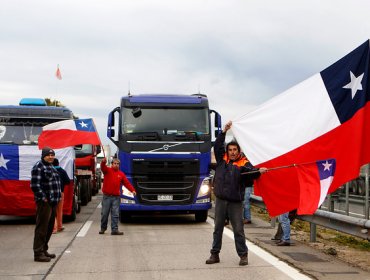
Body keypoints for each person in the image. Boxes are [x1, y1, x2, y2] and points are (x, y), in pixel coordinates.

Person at [206, 121, 267, 266]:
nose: (232, 152)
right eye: (230, 149)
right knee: (217, 229)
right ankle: (215, 255)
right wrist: (224, 132)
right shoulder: (222, 160)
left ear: (238, 151)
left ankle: (243, 255)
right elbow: (217, 146)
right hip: (220, 200)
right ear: (227, 151)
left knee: (238, 230)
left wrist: (260, 171)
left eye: (235, 149)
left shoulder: (244, 164)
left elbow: (253, 173)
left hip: (235, 202)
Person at [31, 147, 61, 262]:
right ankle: (38, 254)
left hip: (53, 202)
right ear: (43, 156)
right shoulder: (39, 166)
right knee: (42, 228)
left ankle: (44, 249)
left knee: (49, 228)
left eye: (52, 155)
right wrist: (43, 198)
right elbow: (35, 185)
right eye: (48, 155)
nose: (51, 157)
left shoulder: (51, 166)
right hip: (45, 203)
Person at [99, 157, 136, 235]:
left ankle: (114, 230)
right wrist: (103, 162)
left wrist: (132, 190)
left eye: (118, 164)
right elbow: (103, 167)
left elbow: (126, 183)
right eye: (115, 163)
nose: (116, 165)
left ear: (119, 165)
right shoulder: (107, 171)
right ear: (112, 164)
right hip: (107, 197)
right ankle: (103, 228)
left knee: (115, 214)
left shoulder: (121, 174)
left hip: (116, 197)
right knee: (104, 213)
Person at [52, 158, 71, 234]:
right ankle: (59, 226)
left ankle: (54, 228)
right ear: (58, 163)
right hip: (61, 193)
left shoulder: (50, 171)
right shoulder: (62, 171)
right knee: (59, 210)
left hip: (52, 193)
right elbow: (68, 181)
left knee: (52, 211)